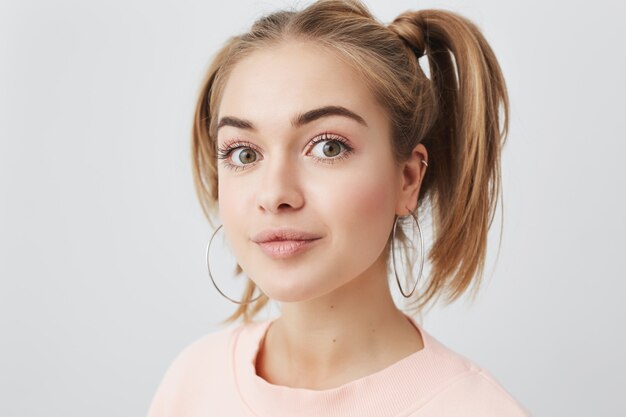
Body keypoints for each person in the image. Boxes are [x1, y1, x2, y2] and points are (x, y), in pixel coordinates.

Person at [147, 0, 533, 415]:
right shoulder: (193, 381)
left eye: (328, 147)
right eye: (243, 153)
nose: (274, 193)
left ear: (407, 179)